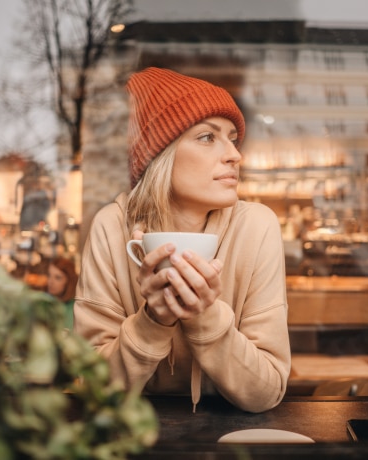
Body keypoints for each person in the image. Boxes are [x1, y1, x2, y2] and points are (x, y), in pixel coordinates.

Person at [74, 67, 290, 413]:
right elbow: (90, 389)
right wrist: (153, 322)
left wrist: (204, 315)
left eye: (232, 138)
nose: (235, 155)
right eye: (207, 137)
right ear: (160, 154)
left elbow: (266, 392)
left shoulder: (257, 226)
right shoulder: (112, 228)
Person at [47, 257, 78, 329]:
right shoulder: (47, 303)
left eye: (58, 278)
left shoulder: (75, 308)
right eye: (49, 275)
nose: (51, 282)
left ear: (69, 281)